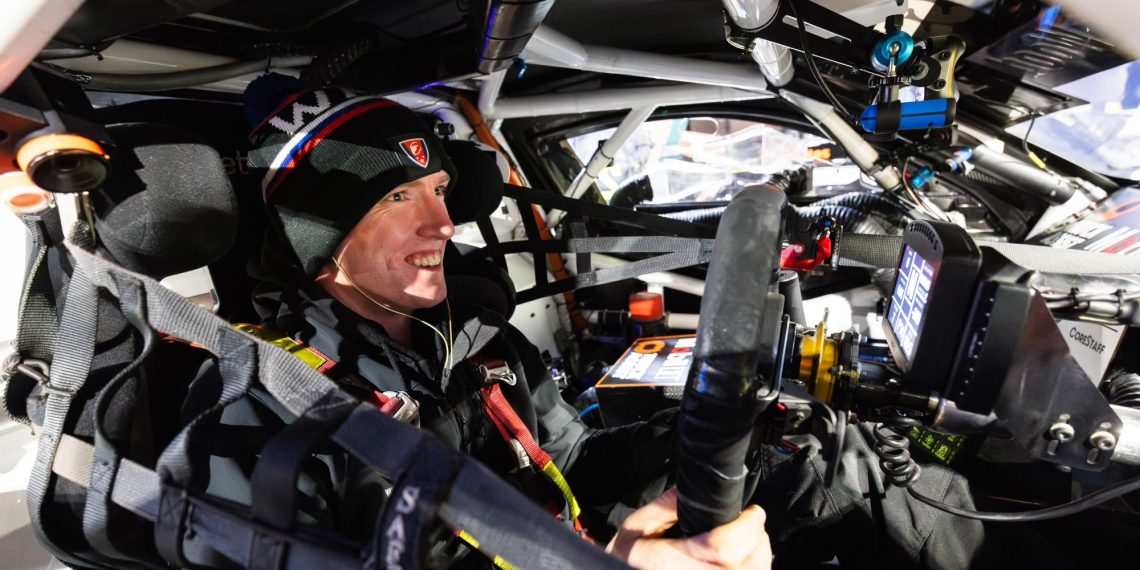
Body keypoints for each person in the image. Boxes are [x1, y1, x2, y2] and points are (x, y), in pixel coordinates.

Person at [176, 76, 772, 569]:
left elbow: (572, 461)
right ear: (319, 229)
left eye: (438, 190)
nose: (443, 223)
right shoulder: (255, 405)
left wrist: (696, 432)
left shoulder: (483, 340)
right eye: (398, 197)